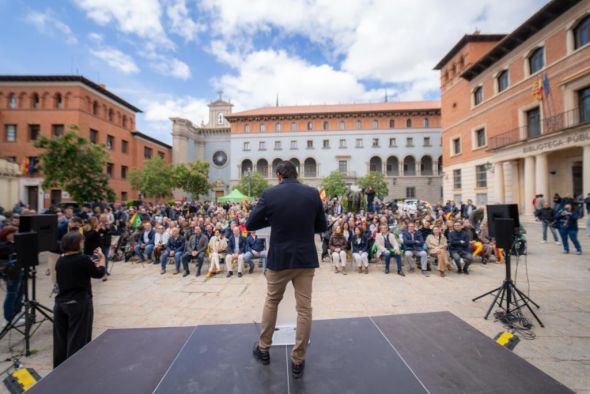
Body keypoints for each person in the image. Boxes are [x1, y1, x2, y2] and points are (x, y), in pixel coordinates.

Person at [247, 160, 326, 380]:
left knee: (272, 301)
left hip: (279, 258)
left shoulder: (270, 195)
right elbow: (322, 227)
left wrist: (271, 217)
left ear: (279, 174)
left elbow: (251, 223)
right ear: (295, 174)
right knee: (304, 309)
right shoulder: (312, 194)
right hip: (304, 258)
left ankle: (263, 349)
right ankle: (298, 361)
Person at [53, 231, 105, 367]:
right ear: (76, 244)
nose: (83, 244)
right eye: (81, 242)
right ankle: (75, 370)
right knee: (78, 339)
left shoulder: (61, 259)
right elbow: (99, 273)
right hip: (79, 303)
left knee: (61, 341)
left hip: (60, 303)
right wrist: (102, 260)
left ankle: (59, 370)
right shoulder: (82, 260)